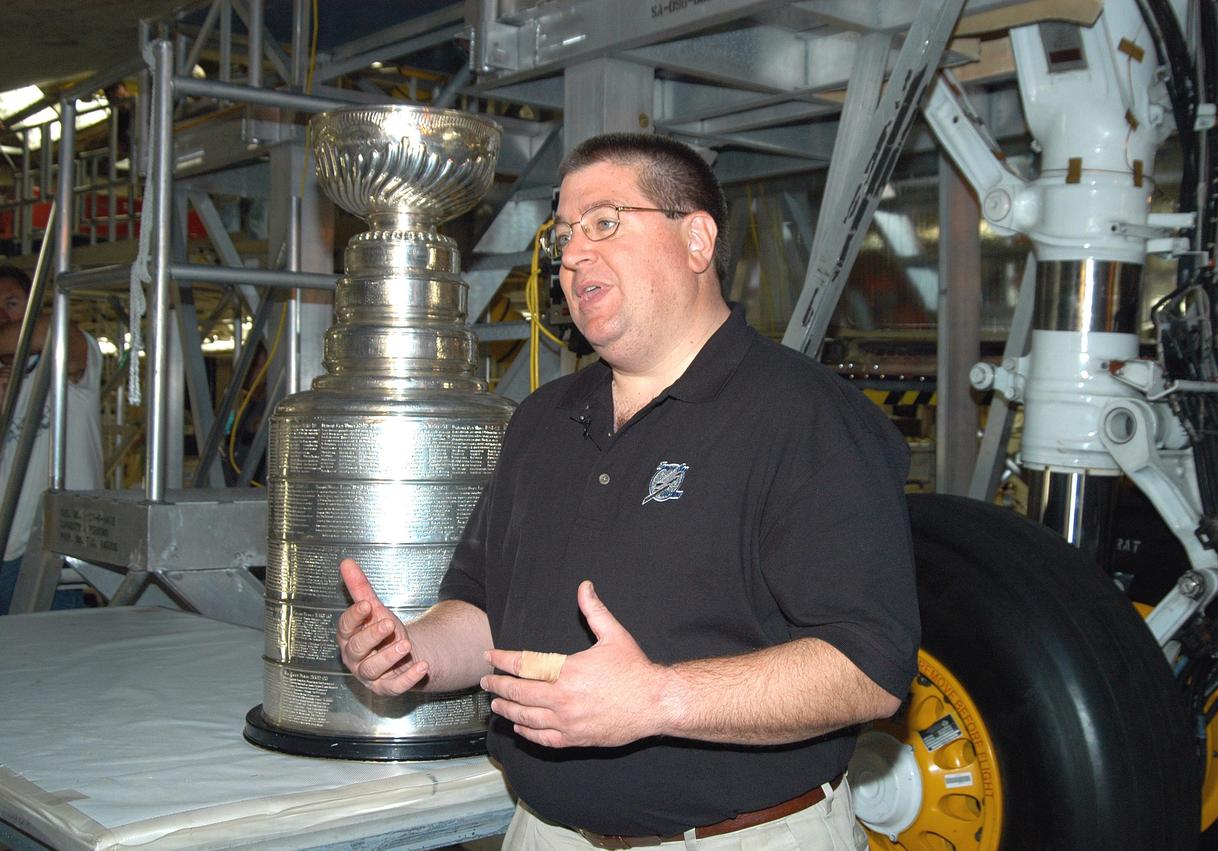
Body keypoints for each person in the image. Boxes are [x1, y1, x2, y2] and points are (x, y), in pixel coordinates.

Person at [336, 134, 919, 850]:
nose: (573, 254)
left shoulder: (806, 417)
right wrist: (413, 651)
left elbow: (868, 667)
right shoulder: (541, 421)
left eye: (605, 221)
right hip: (545, 833)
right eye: (564, 235)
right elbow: (488, 615)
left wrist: (658, 698)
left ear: (696, 238)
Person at [0, 264, 103, 613]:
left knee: (56, 661)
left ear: (33, 304)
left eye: (12, 303)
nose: (4, 315)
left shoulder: (66, 367)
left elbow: (53, 331)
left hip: (54, 555)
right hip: (4, 552)